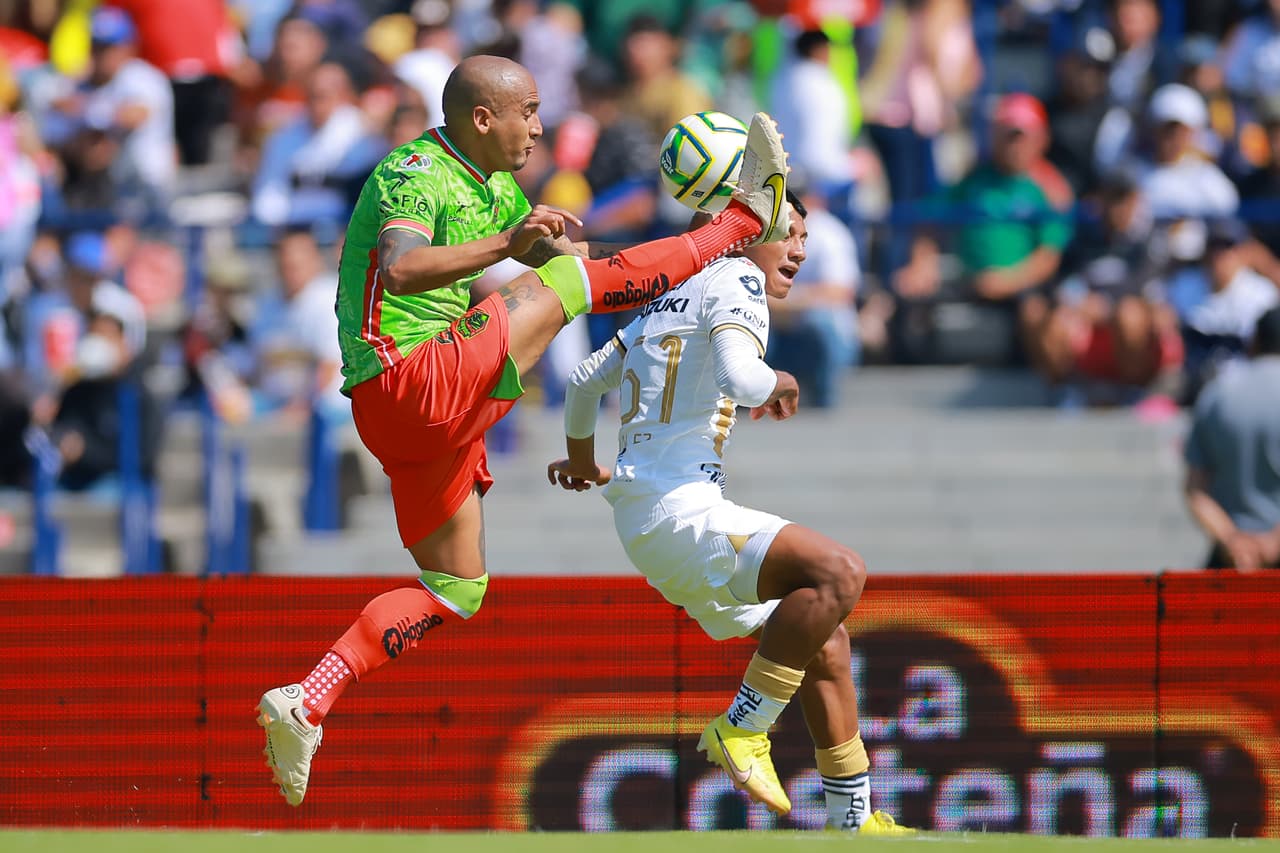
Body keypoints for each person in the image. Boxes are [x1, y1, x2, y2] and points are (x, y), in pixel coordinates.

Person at [256, 54, 793, 807]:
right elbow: (405, 270)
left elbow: (591, 271)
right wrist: (726, 234)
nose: (541, 128)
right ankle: (745, 219)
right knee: (568, 286)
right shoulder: (413, 173)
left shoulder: (502, 190)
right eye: (530, 111)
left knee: (455, 588)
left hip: (418, 423)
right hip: (409, 379)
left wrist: (654, 251)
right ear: (484, 118)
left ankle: (308, 699)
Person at [544, 198, 910, 835]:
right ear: (744, 238)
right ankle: (744, 727)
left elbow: (582, 382)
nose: (800, 249)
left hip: (652, 515)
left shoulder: (667, 296)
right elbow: (744, 380)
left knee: (825, 641)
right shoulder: (735, 276)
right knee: (840, 575)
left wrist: (585, 462)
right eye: (788, 235)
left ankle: (852, 824)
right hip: (684, 514)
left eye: (806, 238)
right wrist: (783, 380)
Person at [1183, 306, 1280, 570]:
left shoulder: (1217, 393)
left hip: (1233, 561)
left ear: (1255, 342)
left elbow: (1195, 489)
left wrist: (1232, 540)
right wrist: (1273, 542)